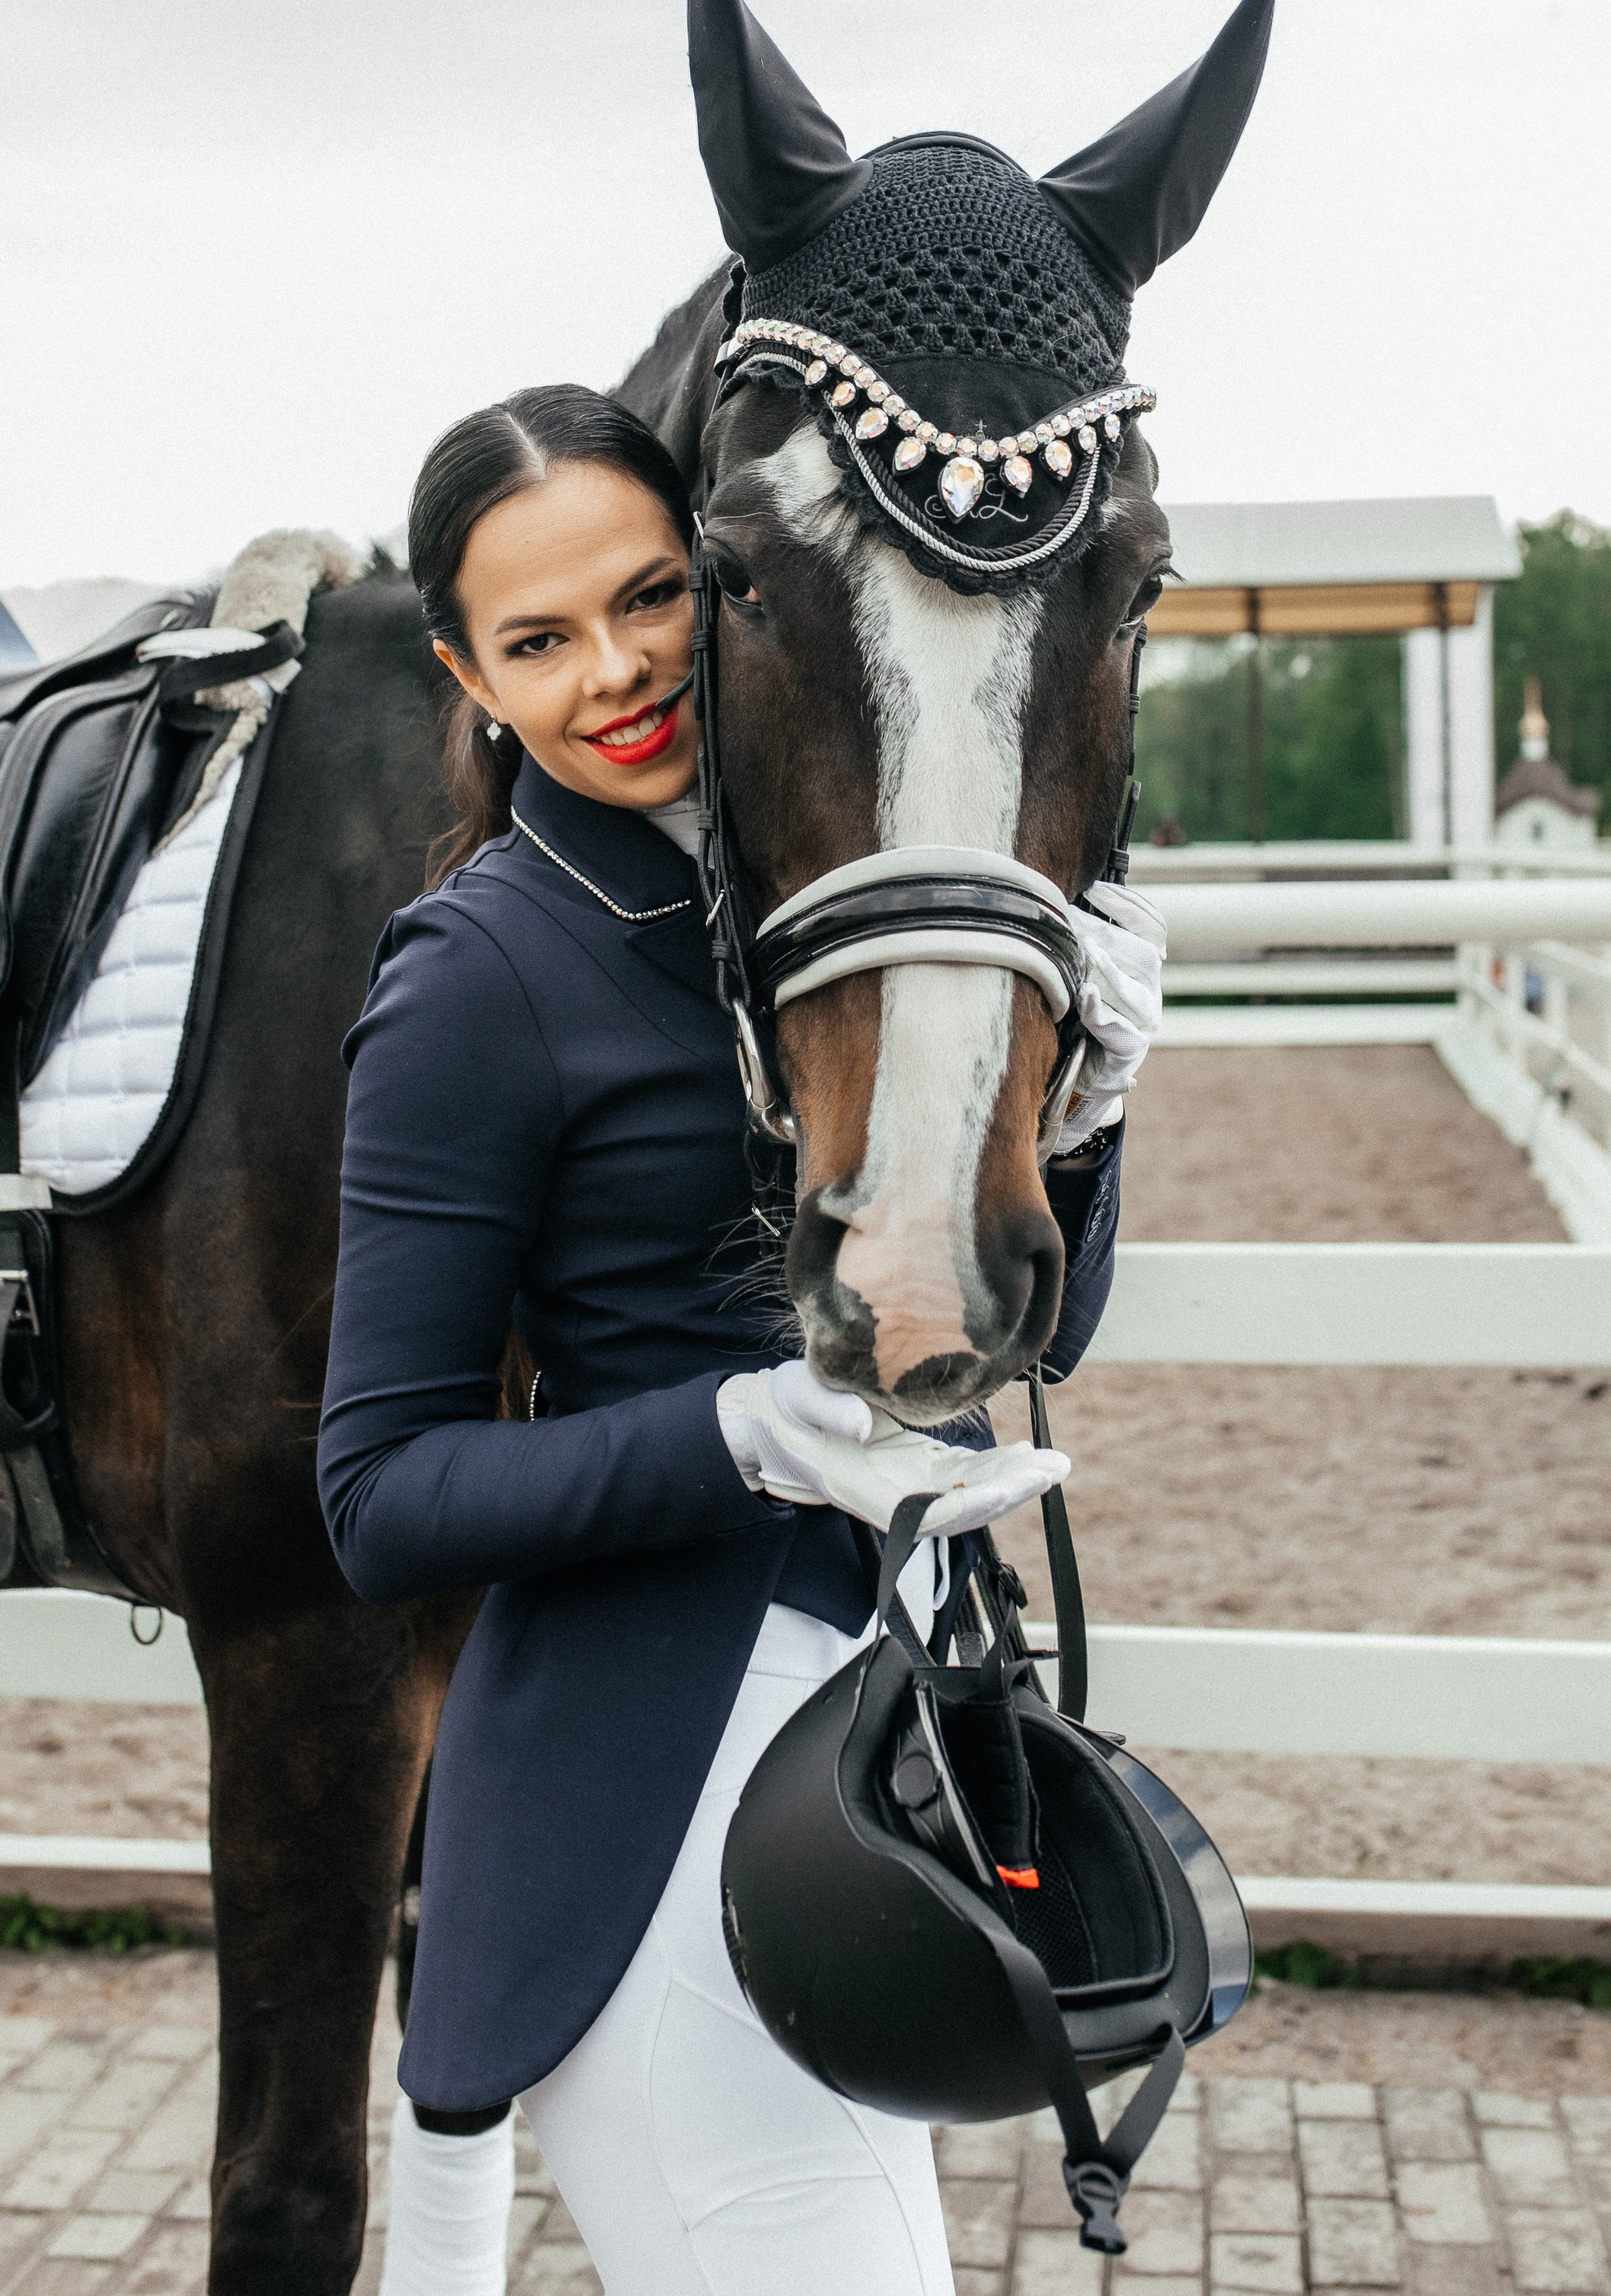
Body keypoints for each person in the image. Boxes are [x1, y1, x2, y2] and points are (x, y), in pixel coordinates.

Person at [317, 385, 1159, 2296]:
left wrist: (1088, 1117)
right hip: (650, 1807)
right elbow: (377, 1497)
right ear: (468, 668)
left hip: (875, 1791)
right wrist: (745, 1436)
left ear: (725, 577)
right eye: (537, 640)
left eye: (648, 599)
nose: (612, 673)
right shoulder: (481, 973)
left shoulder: (828, 901)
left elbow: (1044, 1337)